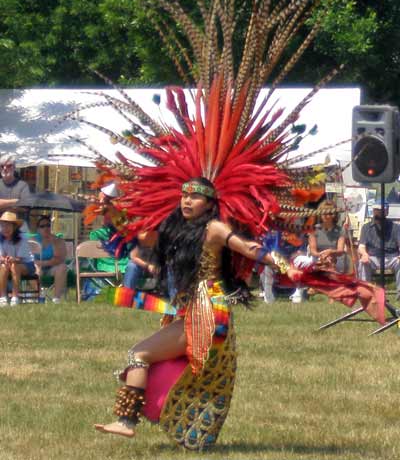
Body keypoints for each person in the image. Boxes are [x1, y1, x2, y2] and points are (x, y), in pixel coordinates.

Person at [95, 177, 281, 443]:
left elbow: (250, 249)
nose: (187, 200)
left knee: (139, 354)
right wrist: (115, 213)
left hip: (207, 315)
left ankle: (127, 421)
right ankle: (136, 419)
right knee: (152, 360)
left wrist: (287, 265)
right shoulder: (179, 228)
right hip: (191, 312)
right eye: (184, 195)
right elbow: (145, 237)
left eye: (195, 197)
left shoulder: (215, 228)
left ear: (209, 203)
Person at [358, 201, 400, 299]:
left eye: (380, 210)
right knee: (362, 262)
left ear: (386, 212)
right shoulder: (366, 227)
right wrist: (364, 254)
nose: (377, 213)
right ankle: (365, 293)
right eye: (375, 210)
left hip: (391, 257)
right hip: (373, 257)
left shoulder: (396, 227)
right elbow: (361, 246)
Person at [0, 211, 35, 307]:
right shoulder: (0, 238)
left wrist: (12, 259)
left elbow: (20, 259)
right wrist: (5, 260)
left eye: (8, 226)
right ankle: (2, 297)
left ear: (14, 227)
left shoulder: (22, 238)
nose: (5, 229)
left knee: (15, 266)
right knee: (4, 266)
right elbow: (1, 257)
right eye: (3, 226)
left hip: (26, 265)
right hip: (8, 264)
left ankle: (15, 297)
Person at [33, 215, 68, 304]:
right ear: (38, 229)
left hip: (52, 268)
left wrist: (54, 243)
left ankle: (56, 299)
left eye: (48, 225)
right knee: (33, 267)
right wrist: (38, 265)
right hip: (36, 267)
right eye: (42, 226)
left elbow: (59, 260)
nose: (46, 228)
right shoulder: (33, 241)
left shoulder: (58, 240)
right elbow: (28, 258)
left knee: (62, 267)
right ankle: (39, 295)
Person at [308, 200, 346, 272]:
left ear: (335, 215)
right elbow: (313, 251)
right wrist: (323, 256)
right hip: (317, 259)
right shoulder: (313, 229)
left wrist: (331, 252)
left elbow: (340, 251)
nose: (328, 216)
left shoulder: (341, 230)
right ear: (320, 214)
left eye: (330, 213)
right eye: (325, 213)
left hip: (335, 259)